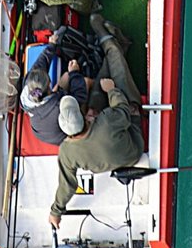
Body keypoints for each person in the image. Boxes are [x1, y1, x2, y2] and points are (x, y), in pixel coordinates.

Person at [48, 14, 143, 229]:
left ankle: (115, 45)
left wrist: (56, 212)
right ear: (84, 118)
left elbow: (67, 186)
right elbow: (124, 112)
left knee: (103, 77)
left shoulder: (66, 152)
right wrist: (113, 92)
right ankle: (108, 38)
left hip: (109, 154)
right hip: (133, 145)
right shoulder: (107, 121)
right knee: (114, 68)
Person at [19, 29, 90, 146]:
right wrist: (75, 73)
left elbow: (42, 63)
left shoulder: (29, 85)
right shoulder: (58, 104)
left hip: (43, 127)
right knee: (86, 82)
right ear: (49, 87)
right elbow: (79, 96)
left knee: (65, 76)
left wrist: (52, 45)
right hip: (64, 136)